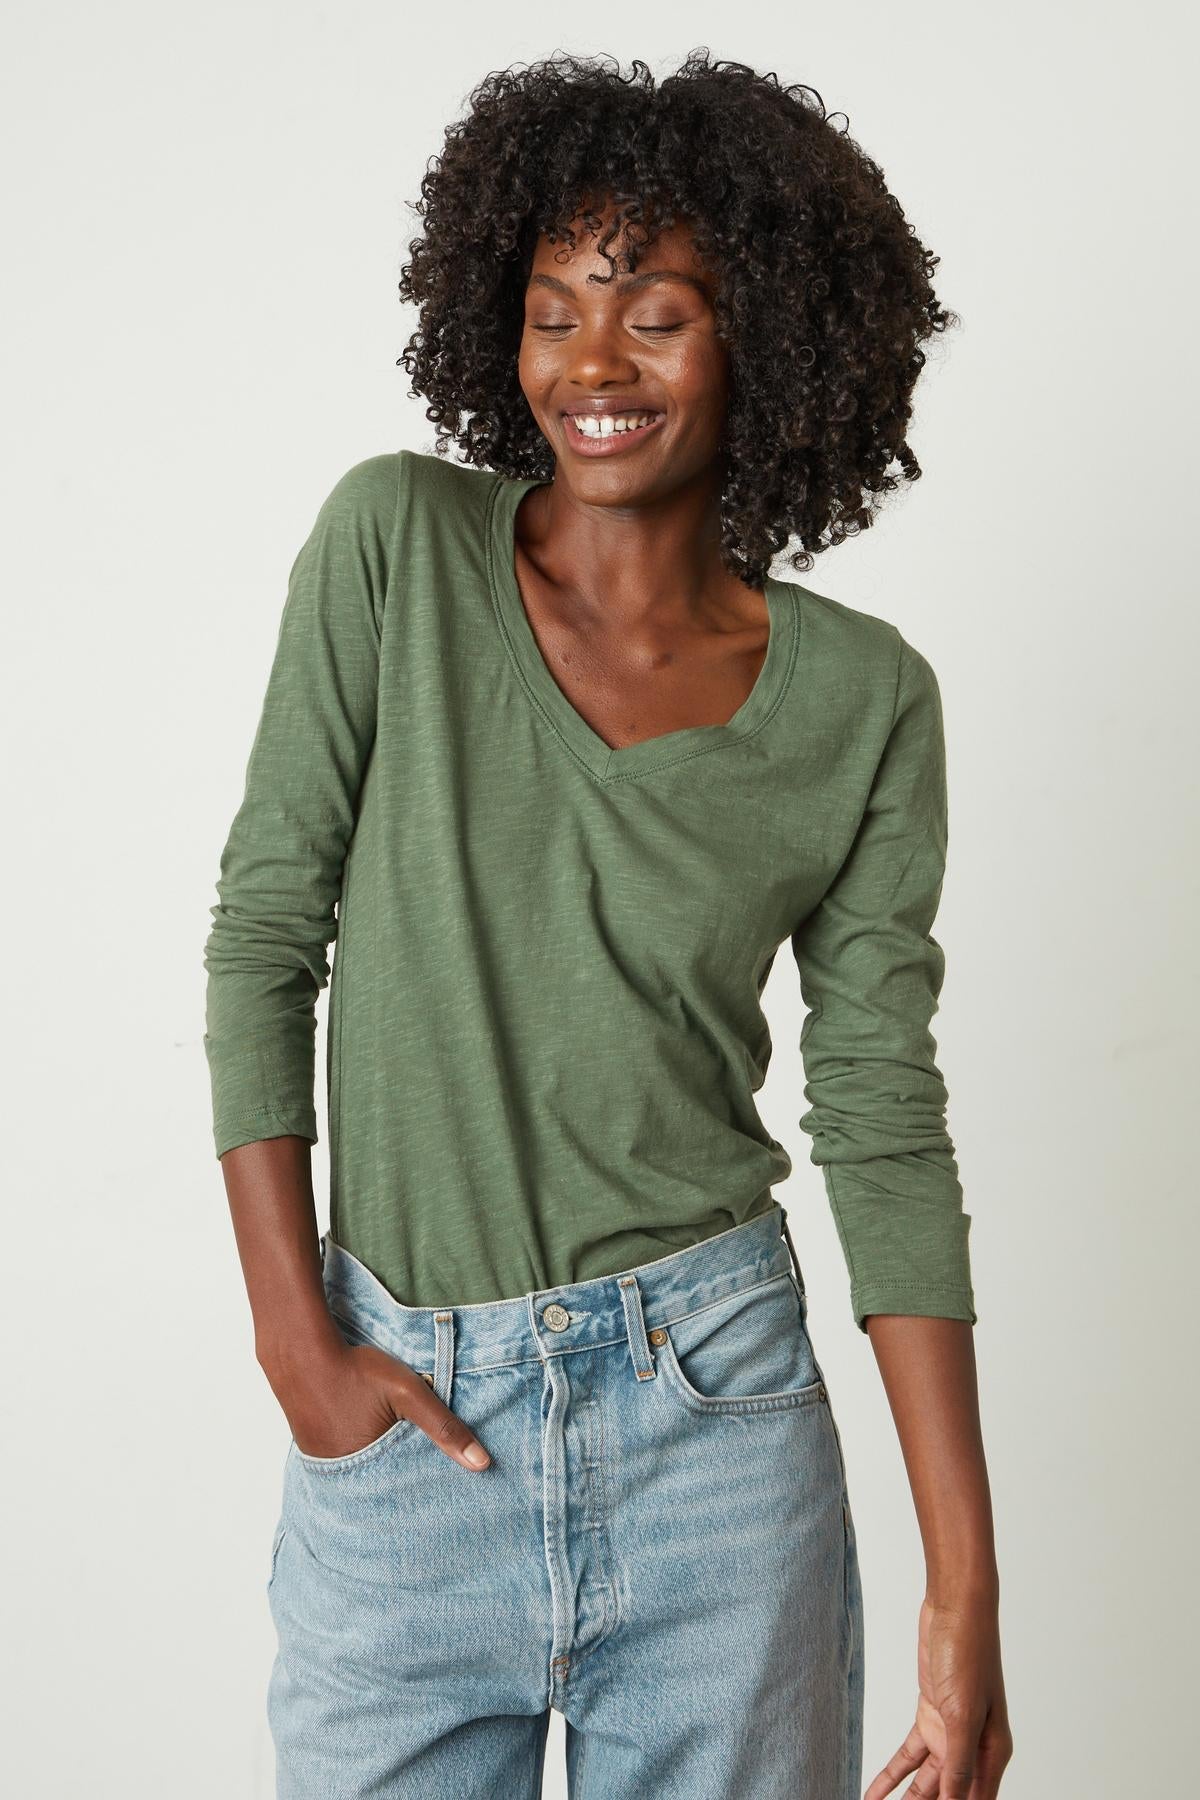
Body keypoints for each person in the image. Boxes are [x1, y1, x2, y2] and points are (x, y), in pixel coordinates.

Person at [203, 49, 1012, 1800]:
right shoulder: (391, 550)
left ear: (770, 343)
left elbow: (880, 1119)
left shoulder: (865, 704)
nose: (593, 363)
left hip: (717, 1428)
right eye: (557, 307)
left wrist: (964, 1588)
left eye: (655, 314)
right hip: (409, 1426)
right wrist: (299, 1346)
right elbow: (266, 932)